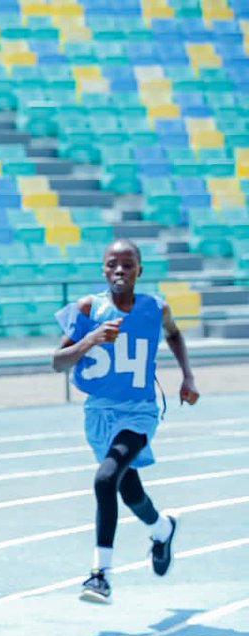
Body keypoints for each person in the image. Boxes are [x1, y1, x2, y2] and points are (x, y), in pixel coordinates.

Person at [52, 239, 199, 603]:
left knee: (105, 479)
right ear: (103, 269)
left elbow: (175, 334)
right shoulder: (88, 307)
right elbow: (57, 360)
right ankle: (163, 529)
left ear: (139, 270)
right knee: (128, 489)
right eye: (112, 265)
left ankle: (100, 574)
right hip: (99, 412)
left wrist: (187, 376)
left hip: (139, 411)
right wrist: (89, 339)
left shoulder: (155, 307)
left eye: (128, 265)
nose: (120, 271)